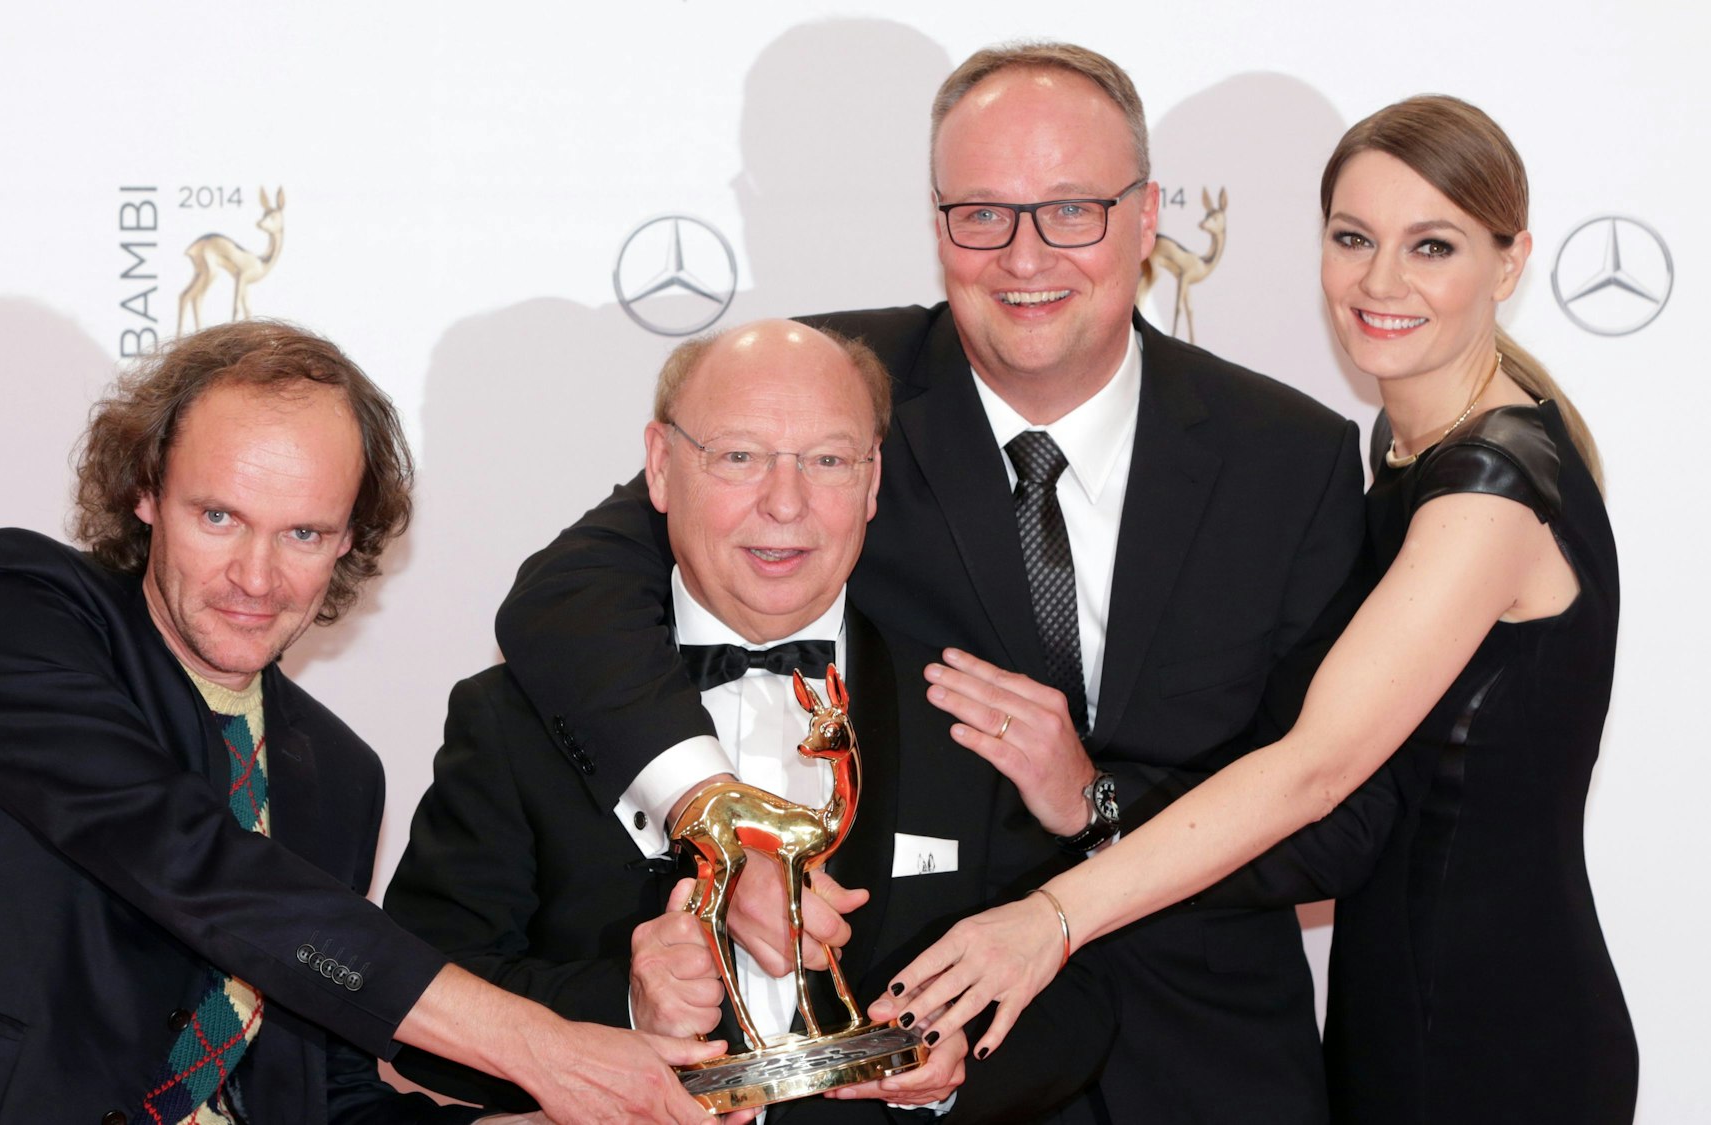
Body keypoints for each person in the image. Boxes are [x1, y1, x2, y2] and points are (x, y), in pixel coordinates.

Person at [496, 42, 1394, 1124]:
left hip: (1197, 1065)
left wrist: (1091, 801)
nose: (1023, 256)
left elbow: (1343, 821)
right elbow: (563, 600)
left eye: (1071, 209)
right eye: (981, 213)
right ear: (936, 226)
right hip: (912, 1078)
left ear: (1147, 216)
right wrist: (718, 822)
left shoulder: (1283, 455)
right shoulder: (830, 394)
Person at [877, 95, 1638, 1123]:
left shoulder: (1486, 491)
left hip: (1481, 1025)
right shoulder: (1408, 448)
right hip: (1399, 992)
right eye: (1352, 238)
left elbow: (1313, 768)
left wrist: (1051, 914)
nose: (1380, 281)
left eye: (1431, 245)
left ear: (1506, 265)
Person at [0, 321, 722, 1125]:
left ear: (351, 539)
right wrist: (540, 1046)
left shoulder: (340, 773)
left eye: (304, 534)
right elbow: (191, 862)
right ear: (146, 490)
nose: (256, 575)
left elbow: (327, 1092)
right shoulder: (13, 606)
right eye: (218, 515)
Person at [385, 320, 1116, 1122]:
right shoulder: (517, 718)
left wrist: (957, 1065)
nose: (786, 502)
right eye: (739, 456)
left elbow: (1083, 997)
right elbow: (411, 998)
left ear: (874, 482)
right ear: (661, 467)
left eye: (829, 460)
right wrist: (623, 1004)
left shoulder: (974, 710)